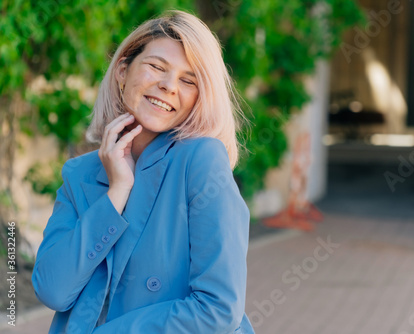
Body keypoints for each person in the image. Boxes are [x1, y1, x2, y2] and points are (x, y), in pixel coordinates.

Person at [31, 10, 254, 334]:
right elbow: (53, 289)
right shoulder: (80, 174)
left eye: (188, 80)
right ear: (123, 70)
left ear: (199, 97)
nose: (168, 86)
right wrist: (117, 191)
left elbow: (218, 309)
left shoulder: (201, 160)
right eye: (156, 67)